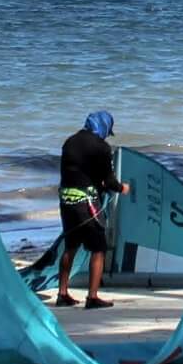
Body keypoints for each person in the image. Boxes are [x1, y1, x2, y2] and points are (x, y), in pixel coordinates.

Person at [57, 110, 132, 309]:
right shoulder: (101, 147)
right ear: (104, 127)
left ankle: (62, 293)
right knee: (99, 248)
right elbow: (109, 180)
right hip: (86, 202)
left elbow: (75, 172)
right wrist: (122, 188)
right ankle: (92, 297)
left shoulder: (69, 142)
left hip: (66, 199)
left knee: (70, 246)